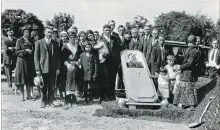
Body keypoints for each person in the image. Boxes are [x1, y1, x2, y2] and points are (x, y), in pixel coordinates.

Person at [34, 27, 61, 108]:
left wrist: (58, 68)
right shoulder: (39, 42)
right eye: (48, 32)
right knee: (43, 85)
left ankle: (51, 101)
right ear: (44, 33)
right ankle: (43, 101)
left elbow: (58, 57)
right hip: (43, 68)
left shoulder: (55, 43)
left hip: (53, 68)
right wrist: (37, 69)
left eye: (51, 32)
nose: (50, 34)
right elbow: (36, 57)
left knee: (51, 85)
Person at [173, 35, 201, 111]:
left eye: (190, 43)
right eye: (188, 42)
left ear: (193, 43)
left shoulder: (193, 51)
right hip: (190, 73)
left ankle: (191, 106)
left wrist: (180, 67)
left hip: (188, 73)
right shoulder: (195, 50)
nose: (188, 44)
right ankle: (184, 105)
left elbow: (190, 63)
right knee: (186, 89)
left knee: (188, 89)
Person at [99, 24, 121, 100]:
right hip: (104, 62)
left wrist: (118, 62)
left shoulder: (114, 38)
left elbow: (117, 51)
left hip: (113, 62)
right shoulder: (100, 39)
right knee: (105, 79)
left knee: (112, 78)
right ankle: (104, 95)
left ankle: (111, 94)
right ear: (103, 30)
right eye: (106, 30)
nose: (108, 32)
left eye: (109, 30)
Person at [14, 25, 35, 101]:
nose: (27, 33)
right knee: (22, 79)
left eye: (28, 32)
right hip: (22, 62)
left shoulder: (31, 41)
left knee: (29, 79)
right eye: (25, 32)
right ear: (23, 33)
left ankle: (29, 95)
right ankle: (22, 96)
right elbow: (16, 52)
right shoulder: (19, 41)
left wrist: (31, 52)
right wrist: (26, 51)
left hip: (29, 62)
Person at [62, 31, 82, 108]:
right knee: (68, 82)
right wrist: (67, 64)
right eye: (70, 37)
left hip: (76, 66)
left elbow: (80, 56)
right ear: (68, 38)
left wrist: (77, 62)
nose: (72, 39)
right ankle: (67, 99)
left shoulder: (78, 46)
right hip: (68, 67)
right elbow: (62, 57)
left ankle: (73, 99)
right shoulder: (65, 46)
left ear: (75, 38)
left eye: (73, 37)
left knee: (75, 82)